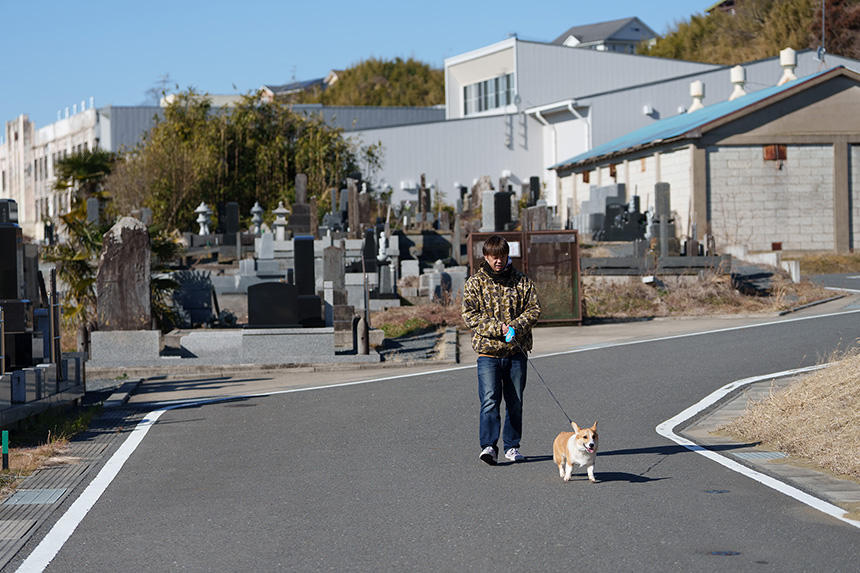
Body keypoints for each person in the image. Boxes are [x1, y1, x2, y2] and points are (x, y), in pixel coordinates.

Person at [461, 235, 541, 465]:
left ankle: (512, 446)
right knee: (489, 400)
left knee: (515, 401)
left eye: (502, 256)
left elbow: (534, 309)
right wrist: (498, 328)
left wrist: (515, 327)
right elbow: (469, 315)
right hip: (488, 354)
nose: (498, 261)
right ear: (486, 257)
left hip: (516, 352)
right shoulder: (475, 283)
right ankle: (488, 446)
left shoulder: (521, 281)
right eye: (494, 257)